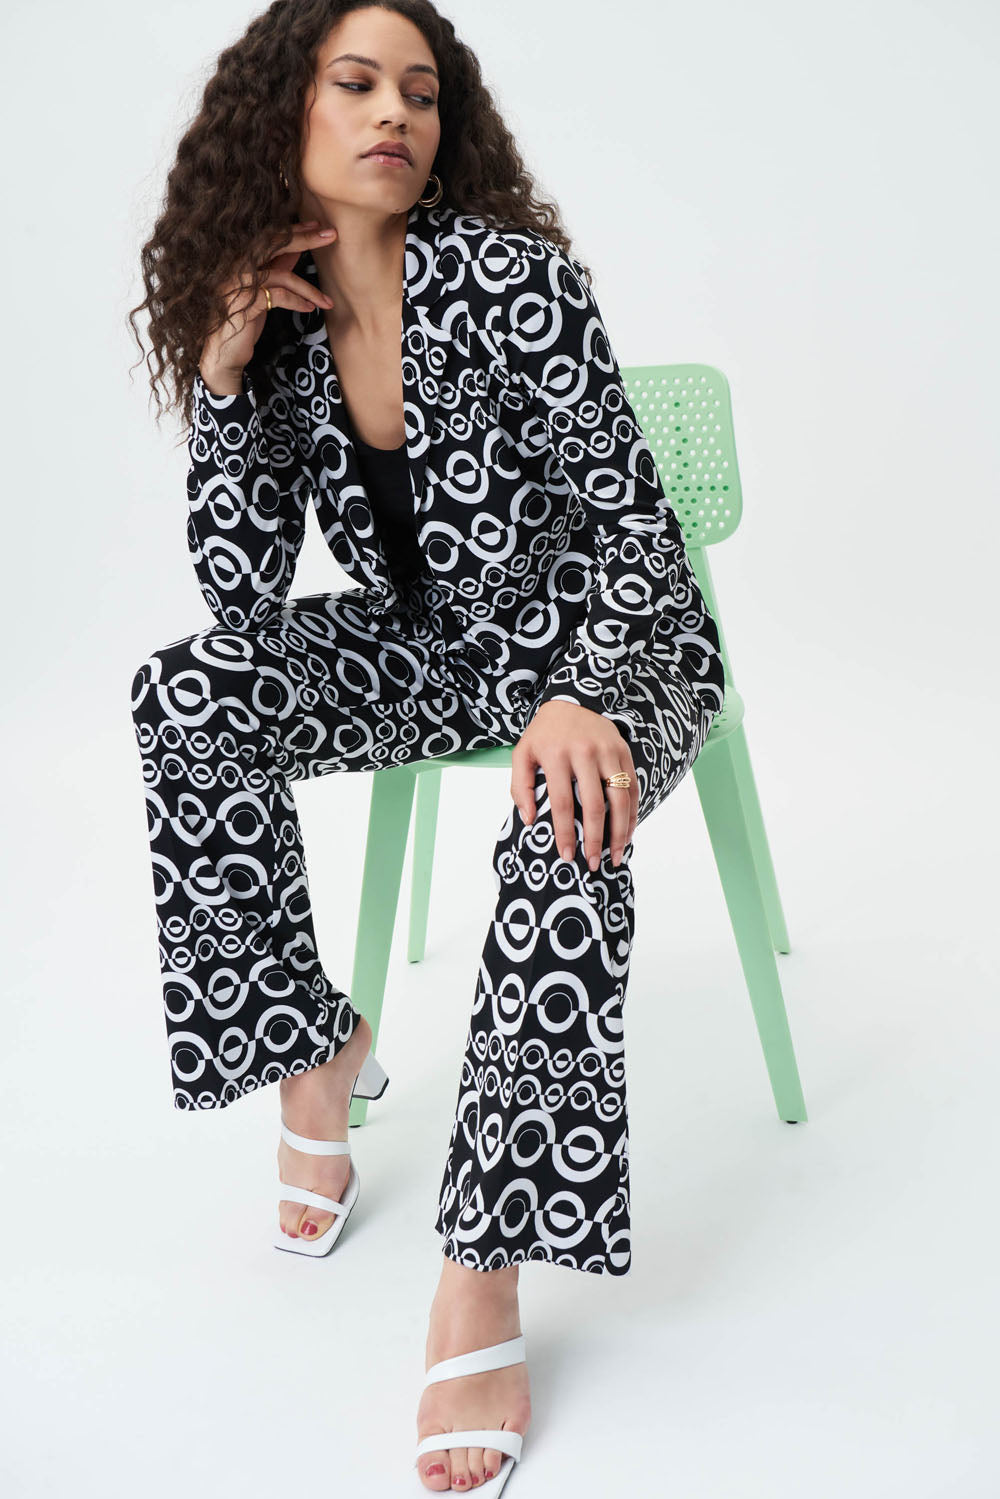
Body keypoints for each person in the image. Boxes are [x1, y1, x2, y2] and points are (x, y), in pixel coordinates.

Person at [127, 2, 726, 1491]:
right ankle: (309, 1048)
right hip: (437, 651)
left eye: (421, 90)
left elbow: (635, 526)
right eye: (358, 83)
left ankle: (483, 1269)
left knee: (563, 814)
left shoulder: (513, 278)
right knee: (192, 693)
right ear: (285, 110)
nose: (397, 111)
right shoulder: (279, 317)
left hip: (613, 644)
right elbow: (241, 595)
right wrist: (224, 376)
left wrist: (589, 693)